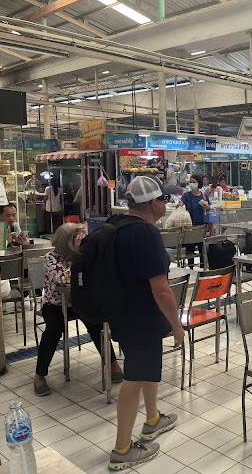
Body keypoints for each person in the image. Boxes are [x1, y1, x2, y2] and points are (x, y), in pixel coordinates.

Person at [108, 176, 185, 470]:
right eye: (164, 199)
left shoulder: (115, 226)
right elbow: (161, 289)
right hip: (140, 318)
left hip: (124, 313)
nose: (166, 203)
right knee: (133, 379)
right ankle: (122, 450)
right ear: (153, 203)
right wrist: (177, 326)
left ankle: (152, 419)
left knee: (144, 370)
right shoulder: (146, 234)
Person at [33, 223, 122, 396]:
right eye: (78, 237)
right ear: (67, 241)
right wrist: (79, 258)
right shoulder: (51, 258)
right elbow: (65, 280)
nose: (83, 240)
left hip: (78, 302)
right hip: (55, 304)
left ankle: (112, 363)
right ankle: (39, 374)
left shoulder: (85, 255)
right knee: (53, 330)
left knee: (96, 322)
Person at [178, 174, 212, 267]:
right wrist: (179, 205)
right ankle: (190, 269)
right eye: (190, 182)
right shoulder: (186, 196)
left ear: (199, 183)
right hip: (190, 227)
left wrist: (207, 207)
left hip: (202, 227)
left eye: (194, 182)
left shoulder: (204, 196)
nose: (192, 184)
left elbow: (210, 209)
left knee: (202, 249)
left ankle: (203, 268)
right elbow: (180, 205)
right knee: (190, 250)